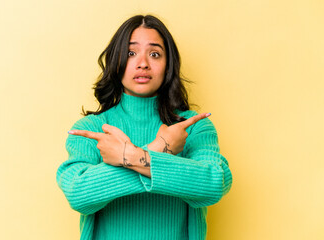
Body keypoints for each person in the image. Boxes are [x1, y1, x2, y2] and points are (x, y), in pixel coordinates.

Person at [56, 15, 232, 240]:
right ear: (116, 60)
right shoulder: (92, 128)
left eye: (155, 54)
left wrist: (128, 156)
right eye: (131, 53)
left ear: (169, 64)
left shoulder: (192, 127)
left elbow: (214, 184)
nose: (143, 63)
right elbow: (78, 194)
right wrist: (161, 148)